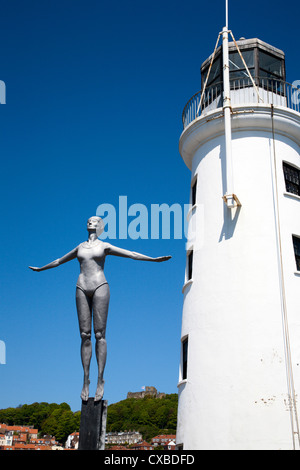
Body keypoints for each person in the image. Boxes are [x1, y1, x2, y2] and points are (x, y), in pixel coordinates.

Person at [29, 216, 171, 402]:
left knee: (99, 334)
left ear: (100, 226)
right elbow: (58, 261)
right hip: (81, 287)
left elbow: (131, 254)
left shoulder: (104, 246)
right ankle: (85, 379)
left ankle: (99, 379)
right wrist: (41, 269)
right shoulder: (80, 247)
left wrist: (153, 260)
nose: (90, 222)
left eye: (95, 221)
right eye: (88, 220)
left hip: (100, 286)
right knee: (84, 335)